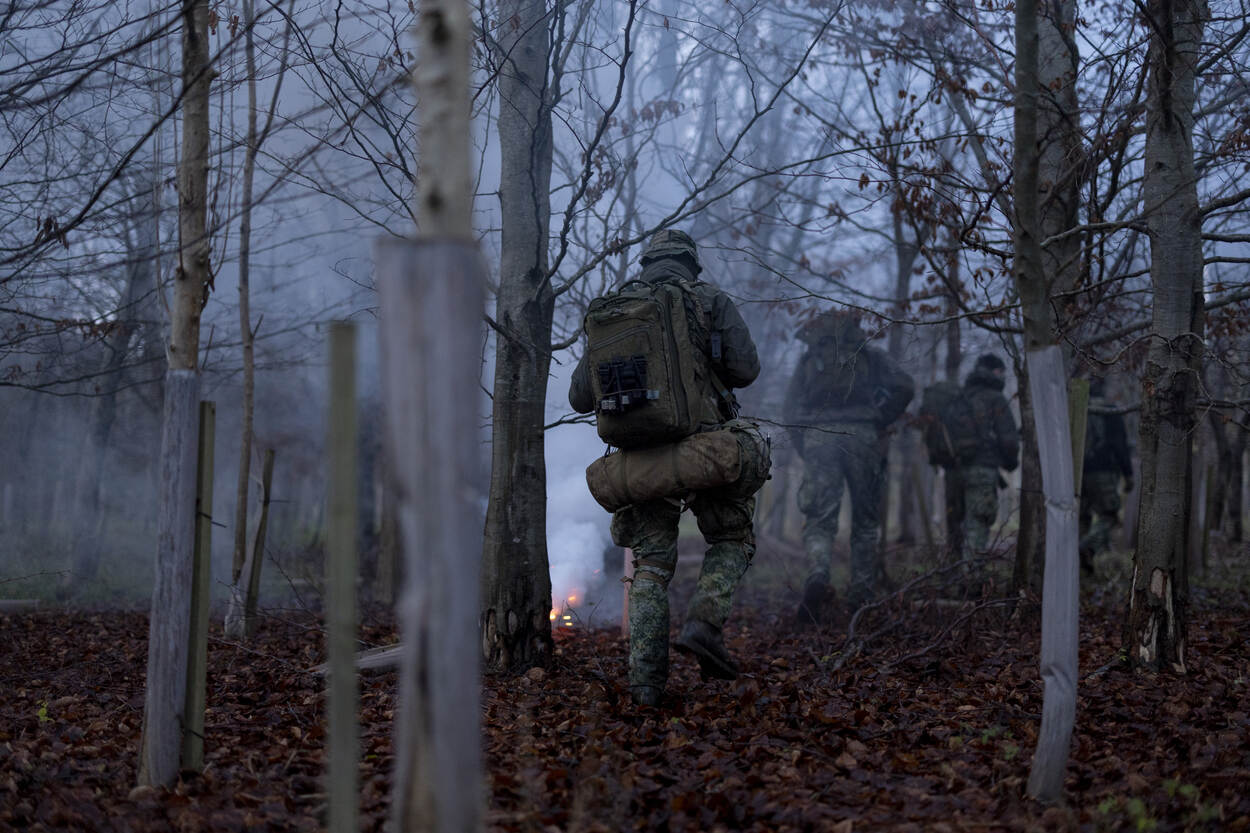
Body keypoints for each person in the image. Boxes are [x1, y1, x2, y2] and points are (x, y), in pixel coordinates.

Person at [569, 229, 763, 708]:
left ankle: (645, 688)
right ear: (691, 264)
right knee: (732, 538)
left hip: (641, 457)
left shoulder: (614, 311)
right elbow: (746, 369)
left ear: (647, 263)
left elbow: (579, 396)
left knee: (651, 568)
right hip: (705, 447)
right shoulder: (710, 300)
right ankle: (704, 623)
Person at [783, 310, 914, 622]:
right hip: (863, 435)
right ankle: (861, 597)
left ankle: (818, 573)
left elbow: (789, 411)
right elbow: (906, 386)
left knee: (819, 519)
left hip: (820, 436)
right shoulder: (868, 354)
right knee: (866, 522)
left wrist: (806, 445)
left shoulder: (809, 359)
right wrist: (879, 419)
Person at [949, 353, 1019, 559]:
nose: (1003, 376)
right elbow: (1009, 439)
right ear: (994, 372)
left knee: (961, 527)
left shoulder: (961, 396)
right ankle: (970, 585)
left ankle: (953, 576)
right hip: (983, 470)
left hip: (956, 470)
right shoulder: (994, 398)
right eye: (1001, 372)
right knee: (977, 528)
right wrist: (1011, 463)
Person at [1079, 377, 1133, 575]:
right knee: (1109, 516)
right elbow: (1120, 445)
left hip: (1077, 473)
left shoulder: (1076, 409)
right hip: (1104, 471)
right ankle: (1085, 547)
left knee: (1081, 517)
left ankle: (1082, 567)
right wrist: (1128, 474)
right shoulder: (1110, 411)